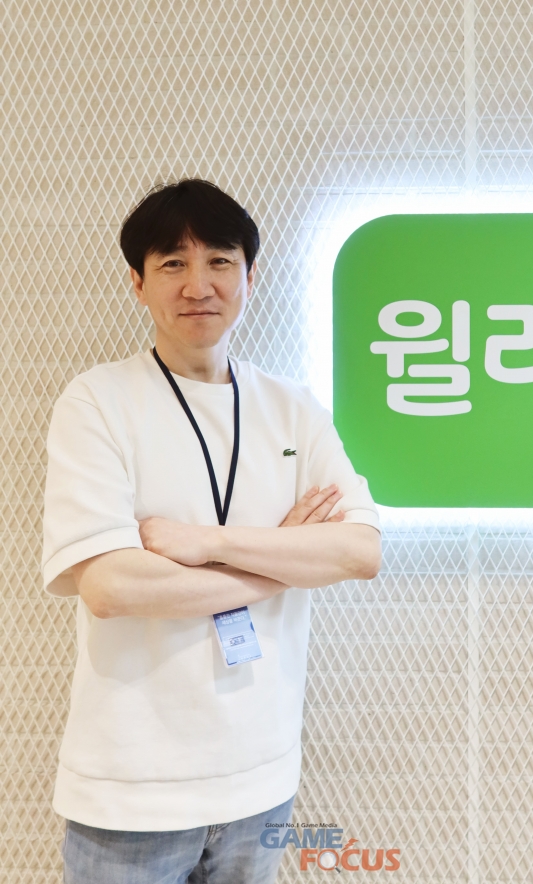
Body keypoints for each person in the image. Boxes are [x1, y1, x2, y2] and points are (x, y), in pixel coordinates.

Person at [41, 179, 381, 884]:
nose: (199, 285)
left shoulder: (293, 407)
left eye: (220, 261)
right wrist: (281, 559)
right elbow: (110, 586)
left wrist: (211, 543)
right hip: (130, 793)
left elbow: (360, 550)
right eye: (173, 263)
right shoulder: (97, 401)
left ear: (250, 276)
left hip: (262, 778)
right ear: (138, 283)